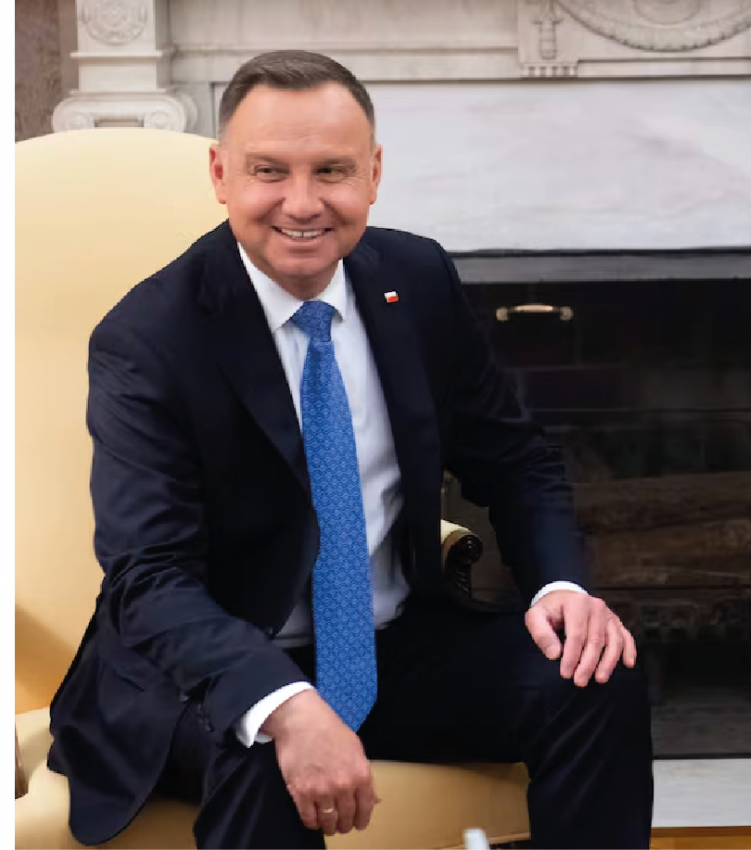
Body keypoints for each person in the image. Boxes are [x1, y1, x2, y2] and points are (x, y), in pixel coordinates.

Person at [47, 50, 653, 850]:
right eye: (269, 171)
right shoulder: (149, 339)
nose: (302, 204)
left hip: (388, 647)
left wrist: (560, 587)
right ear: (221, 175)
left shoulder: (417, 279)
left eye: (331, 171)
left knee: (593, 676)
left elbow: (514, 459)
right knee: (266, 748)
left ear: (373, 174)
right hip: (206, 668)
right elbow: (148, 579)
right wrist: (283, 702)